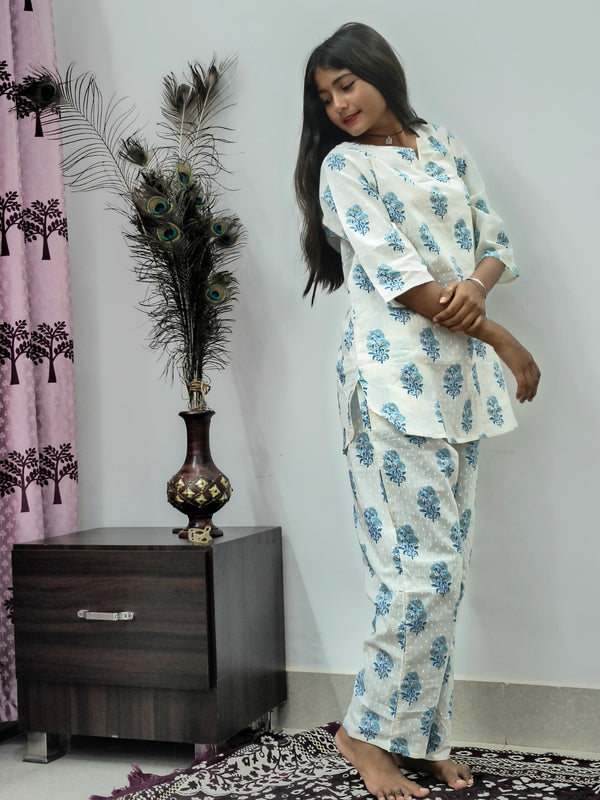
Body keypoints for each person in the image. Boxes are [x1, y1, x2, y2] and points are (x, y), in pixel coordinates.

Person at [294, 21, 540, 800]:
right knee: (415, 574)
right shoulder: (344, 168)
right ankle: (362, 735)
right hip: (391, 379)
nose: (337, 104)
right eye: (324, 95)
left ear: (380, 74)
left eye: (346, 84)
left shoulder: (439, 143)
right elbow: (401, 278)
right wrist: (503, 337)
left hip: (453, 385)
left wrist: (477, 285)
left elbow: (493, 238)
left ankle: (419, 734)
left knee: (447, 575)